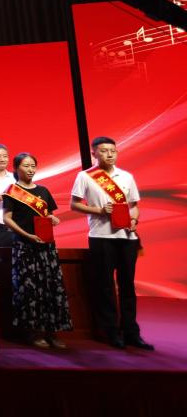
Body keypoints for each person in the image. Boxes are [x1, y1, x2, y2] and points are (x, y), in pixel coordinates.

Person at [71, 136, 153, 350]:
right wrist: (98, 210)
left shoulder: (126, 176)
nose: (109, 154)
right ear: (94, 153)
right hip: (101, 237)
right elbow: (74, 204)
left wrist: (134, 220)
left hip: (127, 238)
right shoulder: (85, 176)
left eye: (113, 151)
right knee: (105, 286)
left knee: (127, 285)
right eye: (104, 151)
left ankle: (131, 332)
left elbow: (134, 206)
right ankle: (110, 332)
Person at [3, 152, 71, 349]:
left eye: (33, 166)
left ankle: (52, 331)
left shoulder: (43, 190)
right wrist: (27, 235)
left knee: (51, 287)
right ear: (16, 168)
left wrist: (53, 219)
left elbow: (48, 215)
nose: (31, 169)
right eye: (26, 166)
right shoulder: (12, 191)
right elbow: (7, 219)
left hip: (46, 246)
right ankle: (33, 333)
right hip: (25, 246)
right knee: (30, 290)